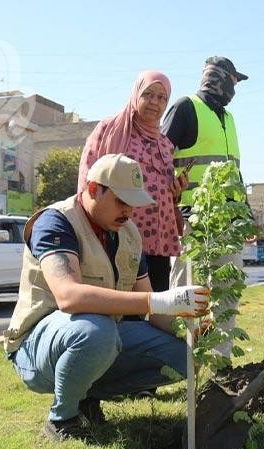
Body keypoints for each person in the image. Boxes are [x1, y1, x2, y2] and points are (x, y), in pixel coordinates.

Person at [5, 154, 210, 441]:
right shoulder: (56, 222)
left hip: (98, 336)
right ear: (92, 190)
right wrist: (159, 301)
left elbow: (151, 303)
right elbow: (68, 296)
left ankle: (85, 396)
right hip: (37, 348)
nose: (128, 211)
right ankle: (62, 419)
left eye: (132, 203)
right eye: (120, 201)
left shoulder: (128, 234)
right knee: (95, 333)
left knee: (184, 355)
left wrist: (188, 327)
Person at [162, 56, 248, 358]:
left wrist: (244, 213)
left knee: (228, 291)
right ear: (221, 78)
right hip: (192, 220)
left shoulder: (228, 119)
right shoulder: (186, 108)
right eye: (234, 81)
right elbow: (159, 156)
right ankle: (182, 362)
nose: (235, 89)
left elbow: (233, 172)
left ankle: (220, 363)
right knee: (188, 293)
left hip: (228, 223)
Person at [78, 71, 185, 292]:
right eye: (148, 94)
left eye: (161, 97)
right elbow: (88, 176)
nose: (154, 102)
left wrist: (176, 191)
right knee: (123, 310)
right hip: (120, 235)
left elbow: (162, 191)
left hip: (159, 241)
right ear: (136, 94)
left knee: (156, 309)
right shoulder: (111, 129)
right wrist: (87, 224)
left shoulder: (165, 144)